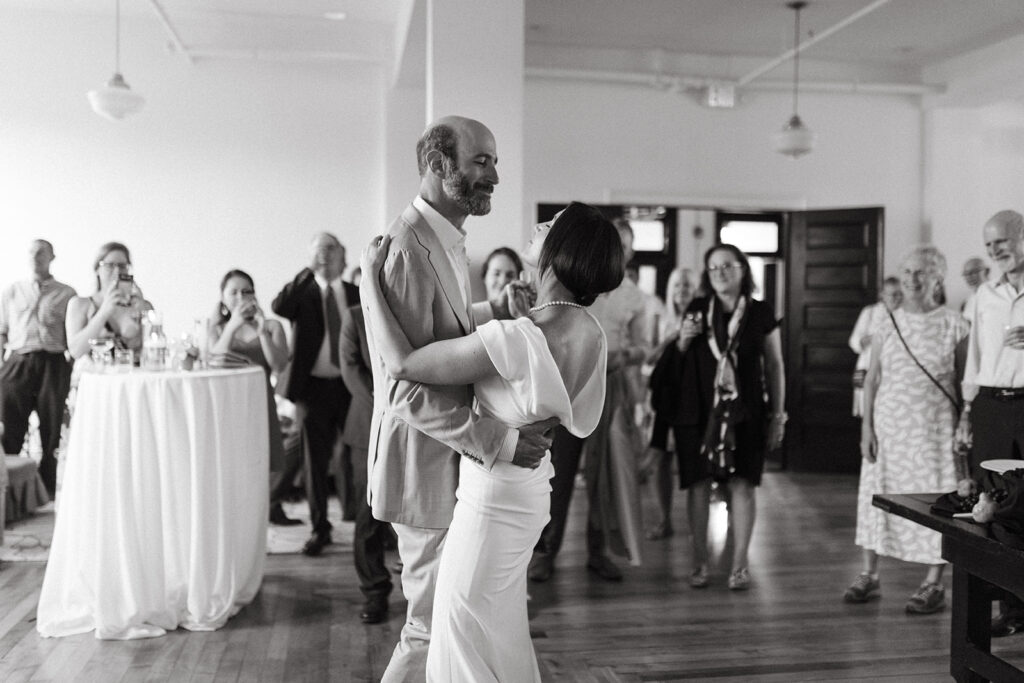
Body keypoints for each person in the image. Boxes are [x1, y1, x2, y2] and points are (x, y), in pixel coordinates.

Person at [361, 200, 623, 683]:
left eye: (553, 224)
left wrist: (368, 287)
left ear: (562, 249)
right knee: (498, 630)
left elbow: (401, 365)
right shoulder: (589, 330)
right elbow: (558, 407)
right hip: (531, 492)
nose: (541, 223)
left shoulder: (515, 337)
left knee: (459, 634)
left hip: (491, 501)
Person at [365, 115, 556, 683]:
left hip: (445, 462)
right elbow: (401, 386)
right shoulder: (406, 248)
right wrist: (496, 440)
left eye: (494, 161)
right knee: (427, 626)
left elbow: (435, 336)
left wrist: (492, 309)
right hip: (422, 464)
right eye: (481, 161)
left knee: (447, 624)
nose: (494, 175)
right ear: (437, 164)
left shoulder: (443, 239)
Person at [844, 245, 968, 614]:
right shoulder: (884, 322)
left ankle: (933, 582)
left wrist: (965, 425)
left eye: (923, 272)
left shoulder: (956, 325)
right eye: (908, 271)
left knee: (938, 499)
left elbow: (965, 384)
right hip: (889, 427)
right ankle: (869, 573)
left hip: (934, 431)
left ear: (937, 278)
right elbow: (873, 378)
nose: (913, 279)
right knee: (877, 493)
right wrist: (866, 427)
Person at [527, 218, 648, 584]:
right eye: (615, 244)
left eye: (625, 246)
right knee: (559, 474)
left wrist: (624, 356)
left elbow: (643, 346)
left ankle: (599, 552)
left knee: (603, 476)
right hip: (568, 387)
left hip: (612, 387)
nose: (620, 251)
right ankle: (546, 552)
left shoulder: (634, 297)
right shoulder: (575, 283)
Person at [673, 244, 785, 590]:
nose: (720, 272)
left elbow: (775, 364)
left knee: (743, 483)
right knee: (698, 484)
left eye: (727, 266)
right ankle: (700, 562)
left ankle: (739, 564)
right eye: (713, 267)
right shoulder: (696, 308)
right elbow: (679, 358)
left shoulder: (760, 311)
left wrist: (779, 414)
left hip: (746, 411)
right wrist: (681, 340)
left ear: (742, 269)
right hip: (698, 411)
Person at [956, 210, 1024, 636]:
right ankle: (1014, 612)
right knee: (995, 506)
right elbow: (974, 357)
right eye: (989, 245)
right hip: (990, 406)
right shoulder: (983, 295)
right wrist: (966, 410)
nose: (996, 251)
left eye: (1002, 241)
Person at [271, 233, 359, 556]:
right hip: (313, 388)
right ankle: (320, 527)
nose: (324, 255)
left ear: (343, 256)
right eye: (318, 250)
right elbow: (278, 306)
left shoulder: (354, 293)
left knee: (357, 458)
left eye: (331, 248)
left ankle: (368, 524)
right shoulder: (302, 295)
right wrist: (307, 272)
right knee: (314, 463)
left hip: (351, 387)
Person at [207, 269, 294, 525]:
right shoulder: (214, 327)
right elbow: (213, 361)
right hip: (224, 406)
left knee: (257, 471)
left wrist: (262, 331)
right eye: (233, 292)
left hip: (259, 404)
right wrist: (232, 325)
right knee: (226, 472)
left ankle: (255, 527)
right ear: (223, 298)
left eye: (246, 290)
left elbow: (279, 366)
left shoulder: (272, 326)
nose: (240, 296)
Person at [0, 240, 76, 497]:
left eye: (42, 251)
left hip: (53, 363)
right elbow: (2, 331)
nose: (36, 256)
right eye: (32, 251)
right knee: (10, 428)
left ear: (52, 256)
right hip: (18, 362)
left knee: (51, 432)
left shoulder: (67, 294)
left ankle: (46, 495)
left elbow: (74, 335)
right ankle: (9, 495)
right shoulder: (12, 291)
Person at [339, 303, 394, 623]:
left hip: (416, 422)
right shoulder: (356, 315)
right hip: (367, 424)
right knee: (367, 513)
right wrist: (389, 402)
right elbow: (350, 368)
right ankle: (375, 591)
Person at [639, 266, 697, 540]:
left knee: (696, 460)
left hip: (692, 400)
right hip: (664, 399)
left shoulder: (703, 318)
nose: (681, 291)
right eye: (677, 285)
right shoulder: (661, 319)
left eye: (687, 286)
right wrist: (669, 341)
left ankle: (706, 520)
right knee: (661, 457)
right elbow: (648, 358)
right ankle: (664, 520)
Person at [66, 242, 153, 365]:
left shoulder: (143, 306)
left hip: (134, 380)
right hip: (96, 380)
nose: (117, 272)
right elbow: (76, 351)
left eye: (123, 266)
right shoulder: (80, 304)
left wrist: (144, 314)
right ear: (97, 269)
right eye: (109, 265)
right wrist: (104, 312)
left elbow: (156, 352)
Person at [848, 277, 902, 417]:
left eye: (899, 294)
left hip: (894, 368)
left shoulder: (906, 314)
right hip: (869, 365)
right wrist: (875, 338)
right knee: (869, 410)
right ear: (882, 295)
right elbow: (854, 341)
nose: (896, 298)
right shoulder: (870, 312)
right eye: (892, 294)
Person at [960, 256, 989, 322]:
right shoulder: (967, 301)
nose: (969, 277)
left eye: (973, 272)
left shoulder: (998, 295)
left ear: (987, 271)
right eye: (966, 274)